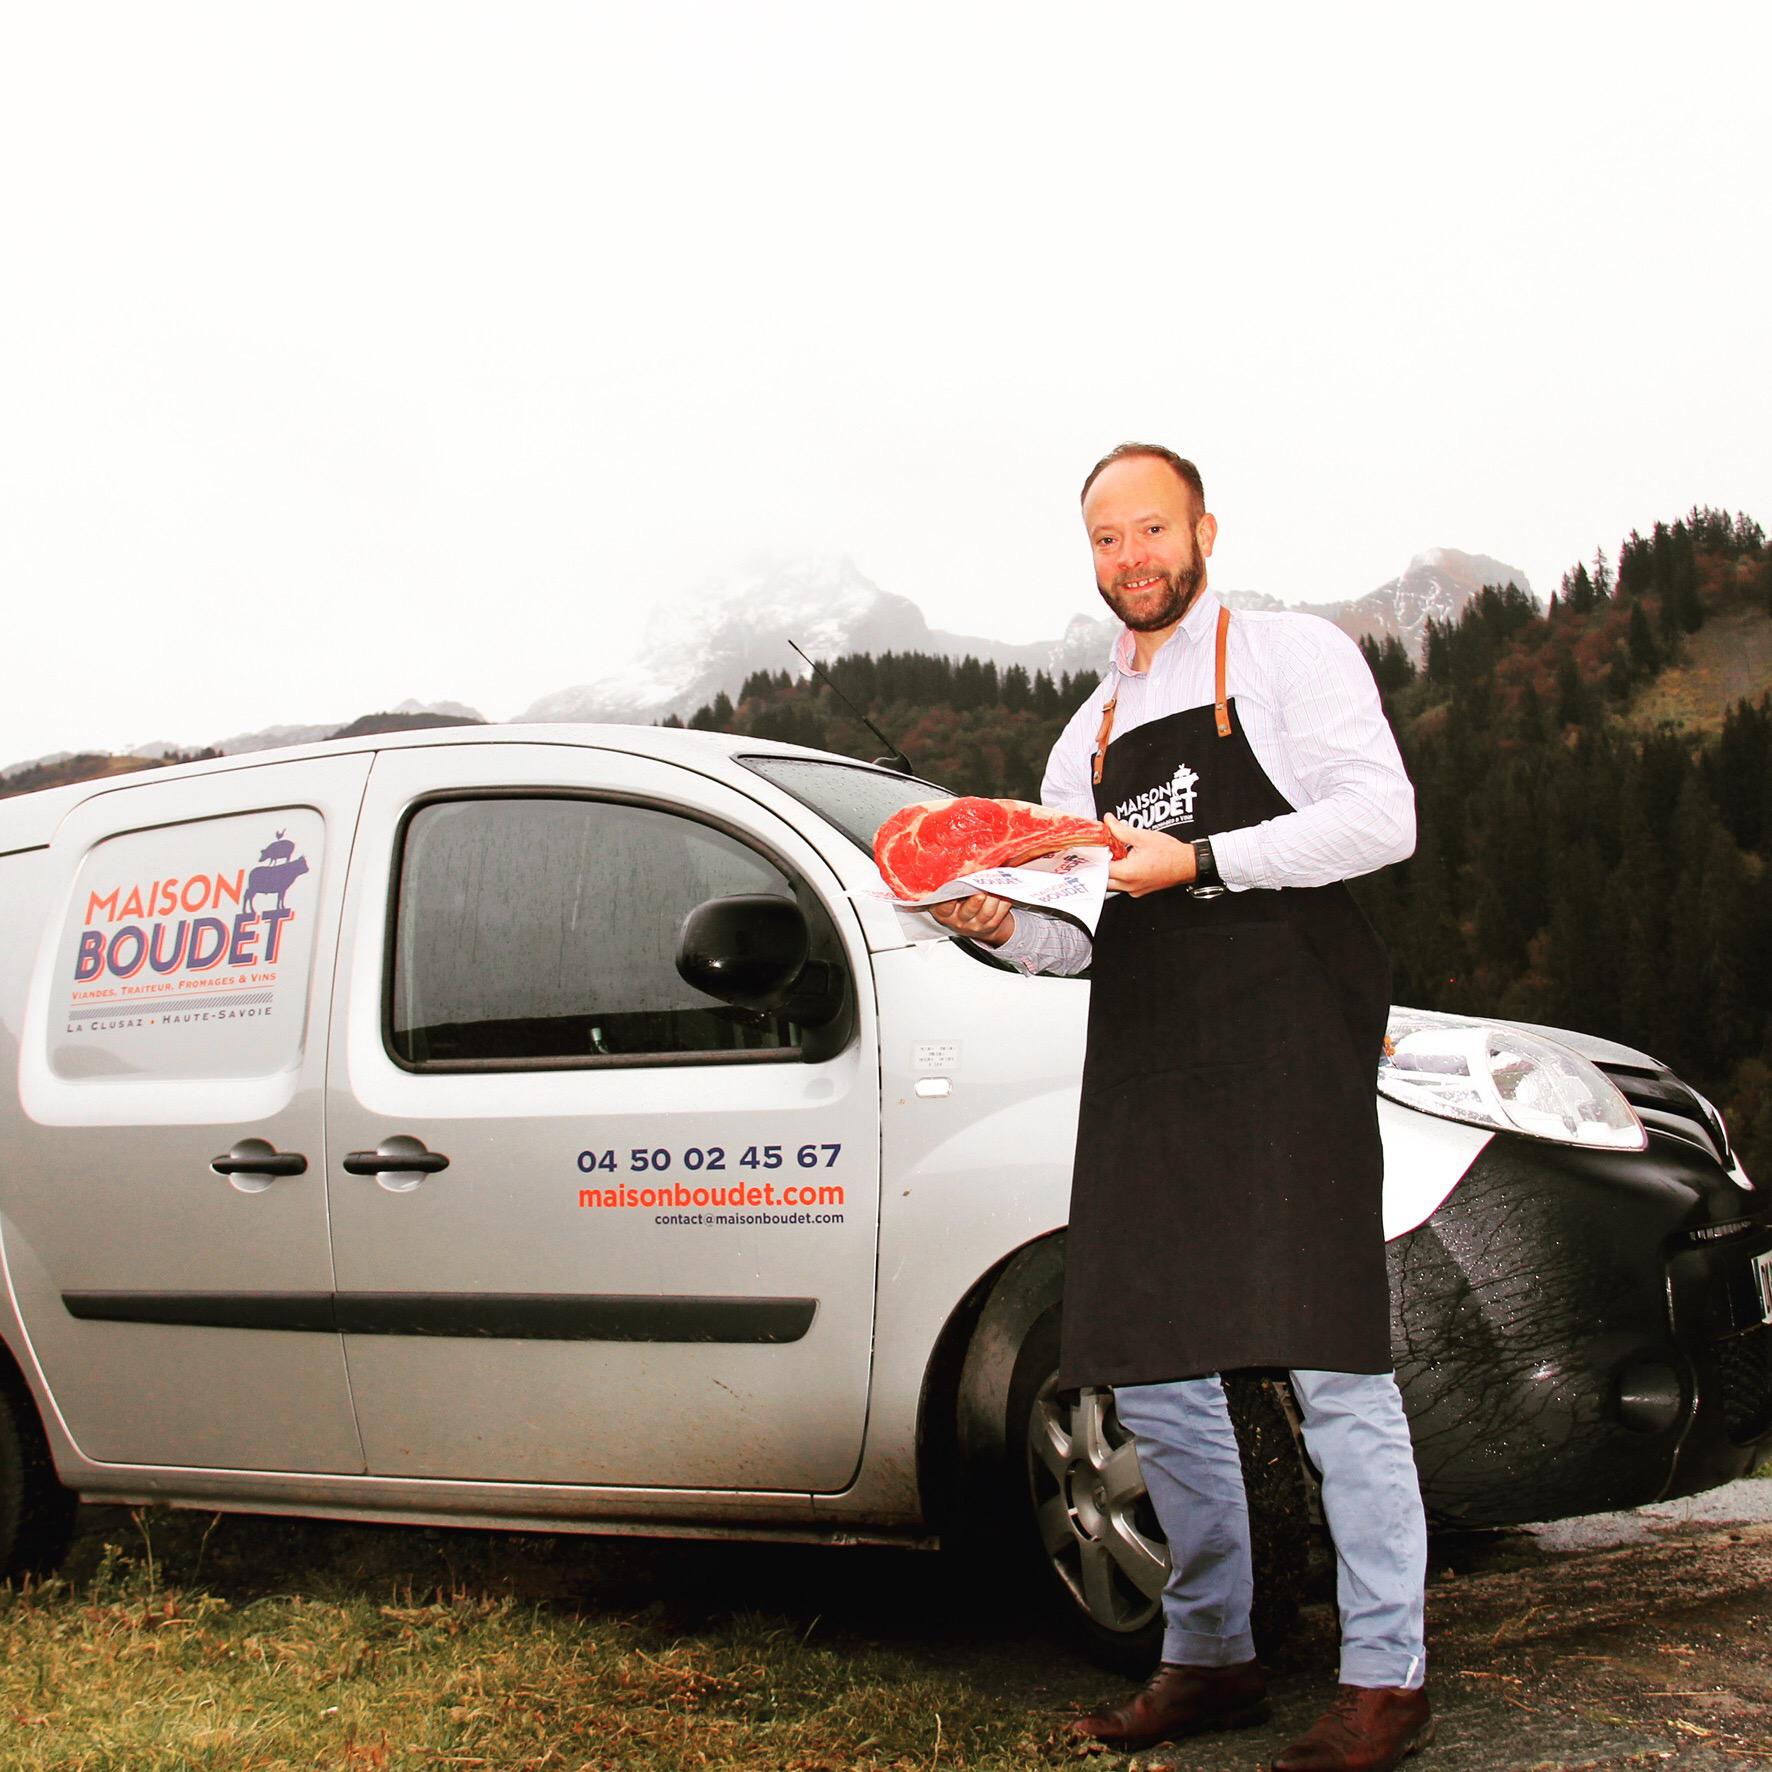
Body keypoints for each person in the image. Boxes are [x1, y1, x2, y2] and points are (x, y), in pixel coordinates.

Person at [930, 444, 1432, 1772]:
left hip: (1285, 1038)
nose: (1129, 558)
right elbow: (1077, 934)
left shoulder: (1285, 658)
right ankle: (1212, 1653)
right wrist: (997, 921)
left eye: (1149, 528)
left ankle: (1388, 1677)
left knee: (1330, 1353)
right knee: (1152, 1356)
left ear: (1203, 527)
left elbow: (1382, 820)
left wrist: (1199, 857)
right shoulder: (1080, 736)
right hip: (1150, 1057)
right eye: (1105, 540)